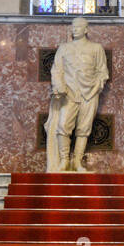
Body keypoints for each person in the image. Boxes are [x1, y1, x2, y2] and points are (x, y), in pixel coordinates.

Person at [48, 17, 109, 172]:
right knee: (63, 126)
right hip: (69, 92)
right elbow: (57, 69)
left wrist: (97, 85)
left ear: (86, 29)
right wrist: (59, 86)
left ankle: (77, 162)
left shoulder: (96, 48)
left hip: (90, 93)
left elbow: (103, 71)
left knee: (84, 128)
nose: (74, 29)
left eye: (78, 27)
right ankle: (64, 161)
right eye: (73, 27)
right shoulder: (64, 48)